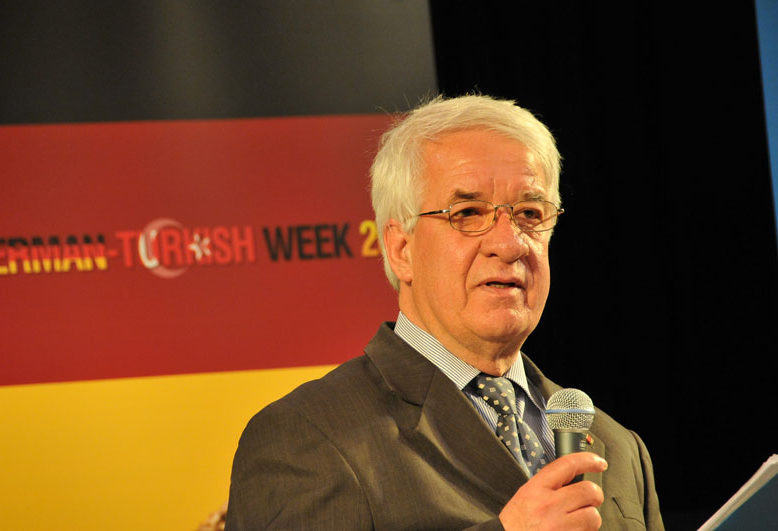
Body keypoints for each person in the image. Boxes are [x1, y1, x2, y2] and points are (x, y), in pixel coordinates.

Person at [227, 95, 663, 530]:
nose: (510, 244)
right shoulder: (307, 435)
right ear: (401, 249)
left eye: (530, 213)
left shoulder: (618, 446)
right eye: (468, 213)